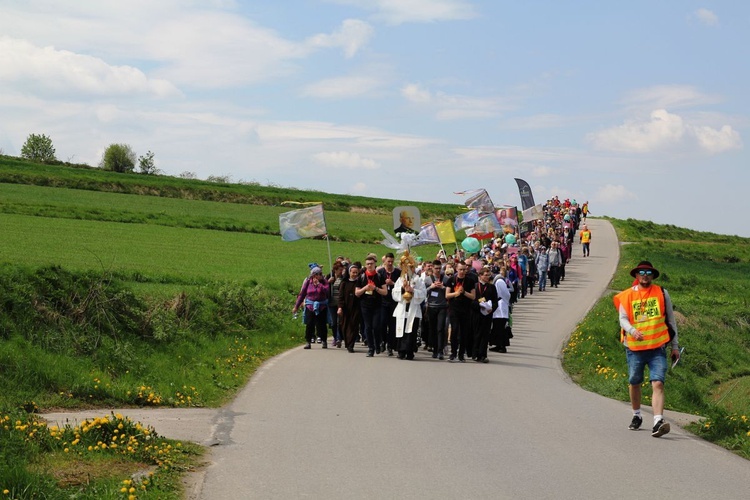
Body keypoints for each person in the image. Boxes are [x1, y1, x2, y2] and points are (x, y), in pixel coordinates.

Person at [614, 261, 680, 437]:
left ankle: (658, 421)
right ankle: (637, 415)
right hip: (635, 348)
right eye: (641, 272)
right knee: (635, 382)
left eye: (648, 272)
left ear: (652, 276)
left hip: (657, 348)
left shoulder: (662, 292)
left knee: (658, 382)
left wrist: (675, 346)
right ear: (636, 275)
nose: (645, 275)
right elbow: (623, 318)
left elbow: (671, 321)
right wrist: (632, 330)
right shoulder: (627, 296)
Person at [391, 251, 426, 360]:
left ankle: (410, 352)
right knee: (401, 330)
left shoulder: (418, 280)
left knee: (411, 331)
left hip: (413, 309)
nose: (410, 269)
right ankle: (401, 351)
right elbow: (394, 293)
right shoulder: (401, 279)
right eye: (407, 267)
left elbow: (423, 293)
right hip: (402, 308)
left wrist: (413, 290)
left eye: (411, 267)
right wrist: (402, 289)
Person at [292, 266, 330, 349]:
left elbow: (327, 292)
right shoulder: (308, 282)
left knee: (322, 324)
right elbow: (302, 294)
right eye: (318, 274)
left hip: (321, 306)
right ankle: (308, 341)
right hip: (310, 306)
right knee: (309, 324)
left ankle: (324, 340)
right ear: (314, 275)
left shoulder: (324, 282)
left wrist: (319, 285)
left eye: (320, 274)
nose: (320, 275)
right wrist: (296, 306)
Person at [446, 262, 477, 362]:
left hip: (466, 309)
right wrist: (456, 293)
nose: (463, 271)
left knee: (464, 332)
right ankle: (453, 353)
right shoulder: (451, 280)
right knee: (454, 330)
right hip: (454, 309)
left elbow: (473, 296)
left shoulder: (470, 281)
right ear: (457, 269)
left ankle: (461, 354)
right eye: (461, 269)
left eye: (464, 269)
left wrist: (464, 292)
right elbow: (447, 295)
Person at [357, 255, 387, 357]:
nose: (370, 265)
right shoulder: (361, 277)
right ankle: (371, 348)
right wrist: (365, 288)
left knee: (376, 326)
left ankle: (378, 343)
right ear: (365, 265)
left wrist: (375, 288)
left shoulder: (379, 276)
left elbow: (385, 292)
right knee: (368, 327)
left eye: (371, 264)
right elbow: (357, 293)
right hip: (365, 305)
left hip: (377, 305)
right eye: (368, 264)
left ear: (375, 264)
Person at [472, 266, 498, 363]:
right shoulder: (475, 286)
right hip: (476, 313)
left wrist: (492, 309)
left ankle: (483, 355)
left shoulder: (491, 287)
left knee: (485, 335)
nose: (487, 277)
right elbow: (472, 300)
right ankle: (475, 353)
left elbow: (495, 301)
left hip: (487, 314)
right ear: (480, 276)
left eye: (488, 275)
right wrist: (478, 305)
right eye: (485, 275)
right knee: (476, 334)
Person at [425, 259, 448, 360]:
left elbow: (449, 291)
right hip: (431, 307)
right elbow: (422, 292)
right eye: (436, 268)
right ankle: (434, 349)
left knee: (440, 329)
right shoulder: (427, 279)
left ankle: (440, 350)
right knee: (432, 329)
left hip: (442, 307)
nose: (438, 270)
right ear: (432, 268)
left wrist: (443, 287)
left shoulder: (446, 279)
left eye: (440, 268)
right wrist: (431, 287)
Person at [337, 262, 362, 353]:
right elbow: (341, 296)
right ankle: (347, 343)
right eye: (353, 272)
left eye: (356, 272)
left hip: (356, 307)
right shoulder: (344, 282)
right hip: (345, 307)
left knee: (354, 326)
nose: (355, 274)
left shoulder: (359, 282)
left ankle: (351, 345)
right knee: (344, 326)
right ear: (349, 272)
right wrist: (340, 307)